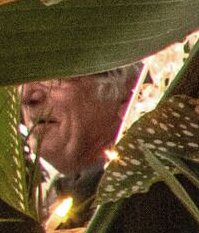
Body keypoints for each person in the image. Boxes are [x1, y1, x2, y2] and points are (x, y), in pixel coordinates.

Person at [16, 66, 139, 213]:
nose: (25, 95)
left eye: (51, 75)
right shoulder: (42, 206)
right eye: (18, 78)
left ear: (129, 87)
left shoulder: (143, 199)